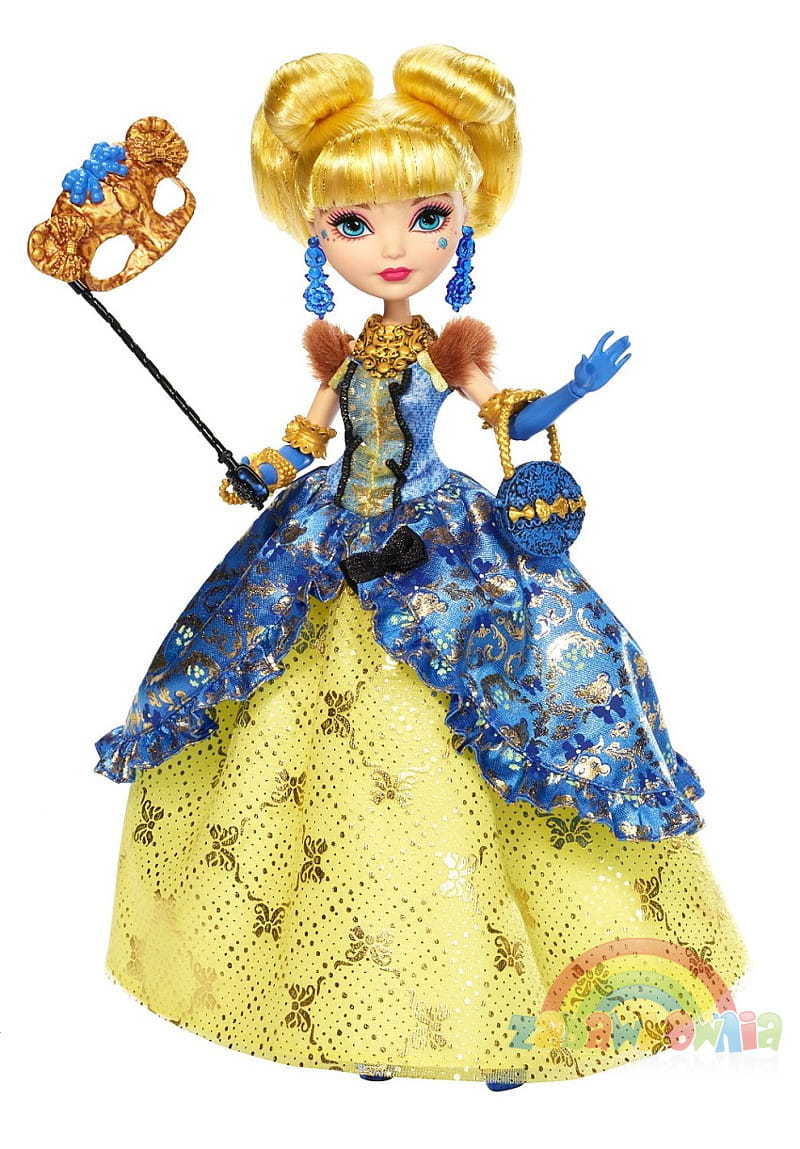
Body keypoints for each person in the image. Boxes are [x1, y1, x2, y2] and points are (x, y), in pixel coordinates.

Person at [99, 44, 747, 1088]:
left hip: (439, 542)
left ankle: (502, 1008)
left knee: (481, 727)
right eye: (354, 225)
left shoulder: (450, 350)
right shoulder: (343, 356)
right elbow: (305, 440)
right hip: (327, 543)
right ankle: (364, 1008)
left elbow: (506, 417)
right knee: (323, 760)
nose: (392, 247)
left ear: (462, 222)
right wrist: (258, 470)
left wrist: (572, 393)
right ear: (317, 236)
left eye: (426, 217)